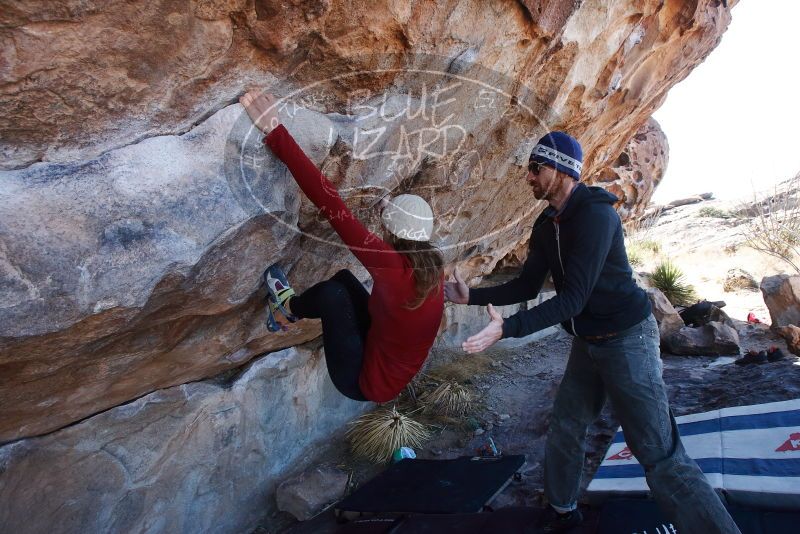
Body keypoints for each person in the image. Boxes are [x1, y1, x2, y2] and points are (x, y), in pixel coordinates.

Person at [445, 132, 740, 533]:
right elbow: (528, 286)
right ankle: (562, 511)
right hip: (588, 342)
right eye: (529, 169)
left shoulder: (597, 216)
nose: (528, 177)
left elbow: (574, 299)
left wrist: (507, 328)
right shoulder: (547, 224)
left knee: (658, 453)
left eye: (536, 168)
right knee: (567, 425)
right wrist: (471, 297)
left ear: (562, 170)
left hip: (627, 339)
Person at [239, 90, 444, 403]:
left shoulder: (391, 267)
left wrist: (275, 132)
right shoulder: (431, 266)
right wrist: (392, 215)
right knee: (344, 281)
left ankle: (286, 307)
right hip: (380, 350)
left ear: (393, 233)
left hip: (363, 381)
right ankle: (289, 313)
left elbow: (328, 201)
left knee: (333, 296)